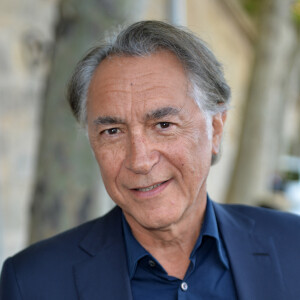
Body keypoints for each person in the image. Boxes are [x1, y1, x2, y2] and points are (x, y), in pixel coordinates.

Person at [1, 20, 300, 300]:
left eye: (164, 125)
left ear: (216, 129)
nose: (140, 161)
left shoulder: (293, 246)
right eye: (113, 131)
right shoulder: (31, 283)